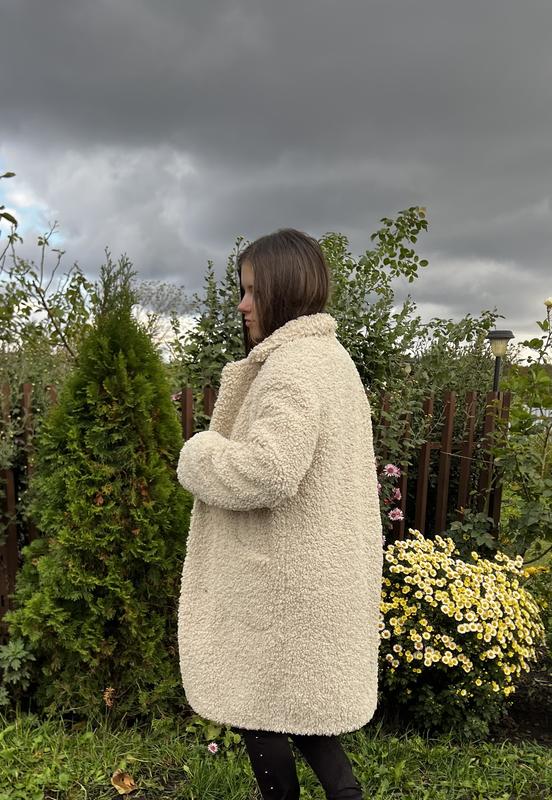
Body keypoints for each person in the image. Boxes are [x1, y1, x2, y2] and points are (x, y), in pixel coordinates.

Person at [176, 228, 383, 800]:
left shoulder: (292, 367)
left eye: (251, 291)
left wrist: (200, 454)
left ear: (282, 289)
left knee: (259, 710)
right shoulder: (331, 360)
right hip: (307, 574)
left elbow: (269, 469)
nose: (242, 305)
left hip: (280, 586)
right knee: (298, 715)